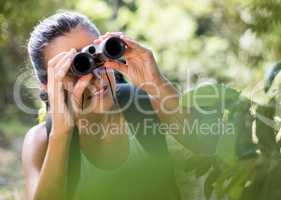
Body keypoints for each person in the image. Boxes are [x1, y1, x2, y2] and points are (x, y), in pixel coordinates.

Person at [22, 11, 218, 200]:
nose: (95, 77)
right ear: (48, 86)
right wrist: (61, 132)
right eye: (78, 67)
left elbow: (207, 144)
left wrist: (155, 82)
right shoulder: (41, 141)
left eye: (97, 58)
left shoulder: (142, 103)